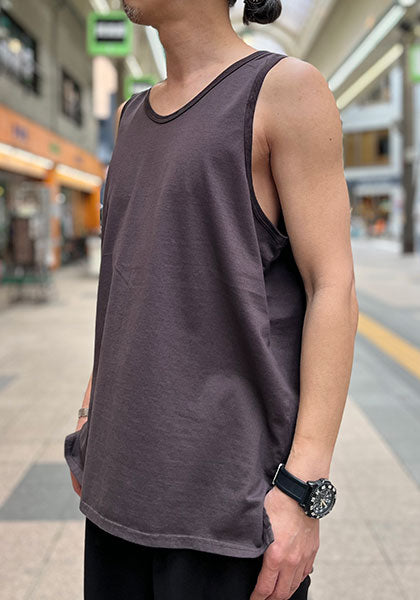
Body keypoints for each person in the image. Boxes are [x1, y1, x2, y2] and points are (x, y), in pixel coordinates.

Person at [64, 0, 359, 598]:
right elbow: (127, 281)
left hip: (228, 508)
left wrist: (303, 491)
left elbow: (333, 286)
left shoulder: (285, 91)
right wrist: (90, 416)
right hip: (116, 487)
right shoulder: (130, 117)